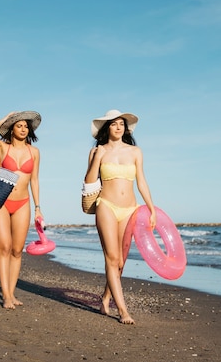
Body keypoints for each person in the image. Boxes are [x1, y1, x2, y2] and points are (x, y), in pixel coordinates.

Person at [83, 109, 156, 324]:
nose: (118, 127)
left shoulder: (135, 152)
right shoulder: (98, 151)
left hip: (130, 209)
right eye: (114, 124)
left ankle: (106, 298)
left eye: (121, 124)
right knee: (112, 258)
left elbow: (141, 181)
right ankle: (123, 310)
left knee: (121, 262)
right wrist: (97, 158)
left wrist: (151, 209)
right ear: (107, 128)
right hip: (106, 205)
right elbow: (89, 181)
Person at [0, 111, 43, 309]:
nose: (24, 129)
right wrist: (3, 120)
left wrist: (38, 207)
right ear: (11, 129)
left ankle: (12, 292)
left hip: (23, 203)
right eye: (19, 125)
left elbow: (34, 180)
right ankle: (6, 296)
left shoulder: (34, 152)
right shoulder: (2, 147)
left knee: (17, 251)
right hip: (0, 202)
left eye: (26, 126)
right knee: (4, 248)